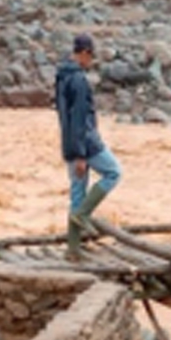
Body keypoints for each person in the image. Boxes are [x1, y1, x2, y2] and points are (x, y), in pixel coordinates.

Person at [57, 34, 122, 257]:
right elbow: (79, 118)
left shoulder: (62, 76)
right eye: (91, 56)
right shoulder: (78, 80)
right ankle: (83, 214)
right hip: (85, 143)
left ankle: (73, 249)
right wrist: (82, 154)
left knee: (77, 191)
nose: (91, 61)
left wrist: (73, 151)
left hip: (68, 143)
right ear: (84, 53)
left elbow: (66, 117)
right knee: (113, 172)